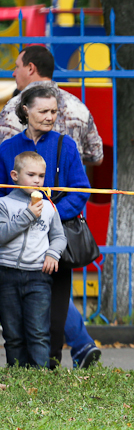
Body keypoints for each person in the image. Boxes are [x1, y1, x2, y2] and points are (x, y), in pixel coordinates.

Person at [2, 45, 103, 369]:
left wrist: (51, 214)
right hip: (13, 243)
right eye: (43, 111)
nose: (49, 117)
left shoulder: (66, 146)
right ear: (25, 111)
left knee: (56, 311)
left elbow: (80, 190)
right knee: (13, 314)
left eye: (54, 112)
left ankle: (49, 365)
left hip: (53, 241)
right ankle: (20, 367)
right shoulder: (7, 148)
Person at [0, 152, 67, 367]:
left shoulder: (49, 207)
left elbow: (59, 237)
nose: (37, 180)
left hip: (38, 276)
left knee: (38, 332)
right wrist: (27, 216)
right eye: (31, 175)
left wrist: (53, 253)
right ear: (15, 176)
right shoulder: (4, 204)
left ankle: (39, 377)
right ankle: (17, 375)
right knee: (12, 334)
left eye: (41, 176)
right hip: (6, 275)